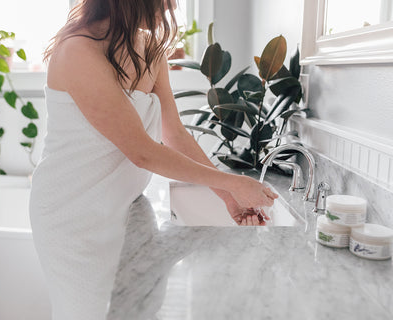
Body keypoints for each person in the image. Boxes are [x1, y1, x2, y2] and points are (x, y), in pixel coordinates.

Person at [29, 0, 279, 318]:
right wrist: (232, 182)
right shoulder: (76, 50)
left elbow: (174, 135)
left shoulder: (150, 49)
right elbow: (142, 150)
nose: (171, 5)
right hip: (71, 215)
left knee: (140, 308)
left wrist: (228, 196)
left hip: (126, 205)